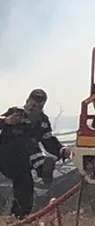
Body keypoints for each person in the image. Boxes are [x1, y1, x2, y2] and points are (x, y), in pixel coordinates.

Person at [0, 89, 63, 219]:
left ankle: (18, 219)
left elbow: (49, 141)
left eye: (39, 106)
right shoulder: (15, 112)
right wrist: (7, 121)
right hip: (6, 156)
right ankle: (41, 169)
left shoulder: (43, 121)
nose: (35, 108)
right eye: (33, 104)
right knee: (28, 142)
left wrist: (62, 150)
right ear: (28, 102)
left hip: (23, 164)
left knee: (25, 190)